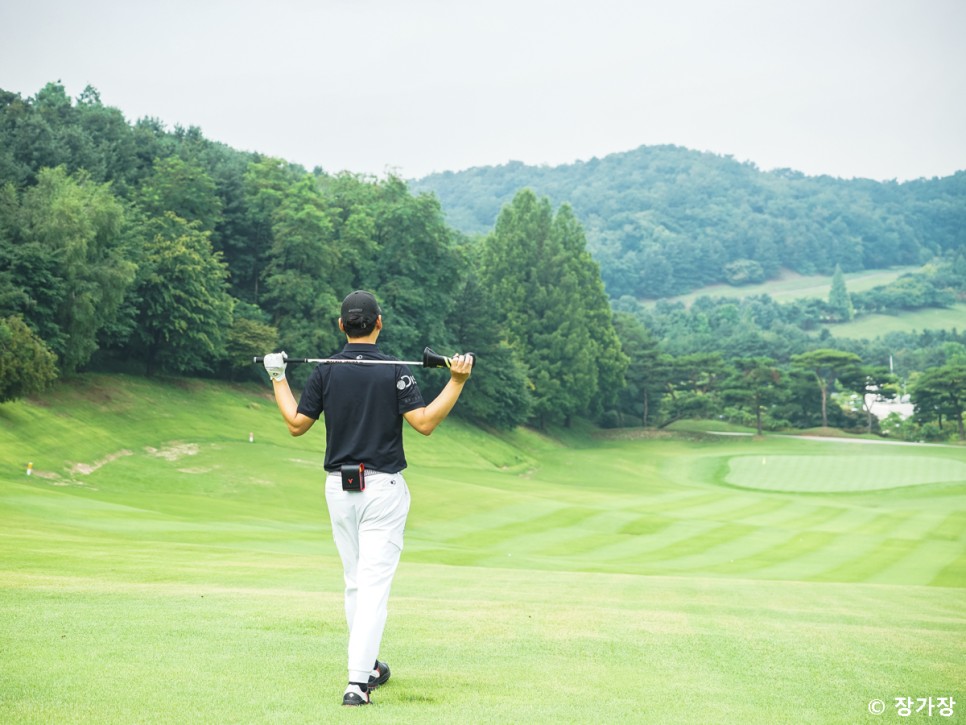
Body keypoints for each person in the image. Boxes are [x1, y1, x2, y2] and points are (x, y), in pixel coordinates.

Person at [262, 290, 473, 707]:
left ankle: (369, 667)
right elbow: (425, 423)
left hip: (338, 491)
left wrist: (277, 376)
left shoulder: (325, 370)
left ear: (342, 326)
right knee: (372, 586)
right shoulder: (395, 369)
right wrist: (457, 381)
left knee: (357, 584)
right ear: (379, 323)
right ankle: (358, 684)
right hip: (382, 490)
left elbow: (295, 424)